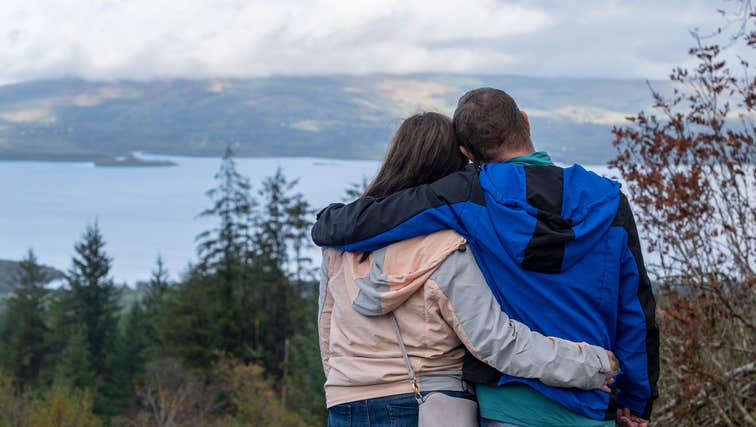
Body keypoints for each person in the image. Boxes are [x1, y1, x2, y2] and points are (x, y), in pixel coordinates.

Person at [313, 89, 659, 427]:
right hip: (592, 398)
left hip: (506, 402)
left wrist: (328, 221)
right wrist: (636, 398)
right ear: (526, 121)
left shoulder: (469, 194)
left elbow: (369, 222)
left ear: (468, 153)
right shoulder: (610, 203)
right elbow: (636, 311)